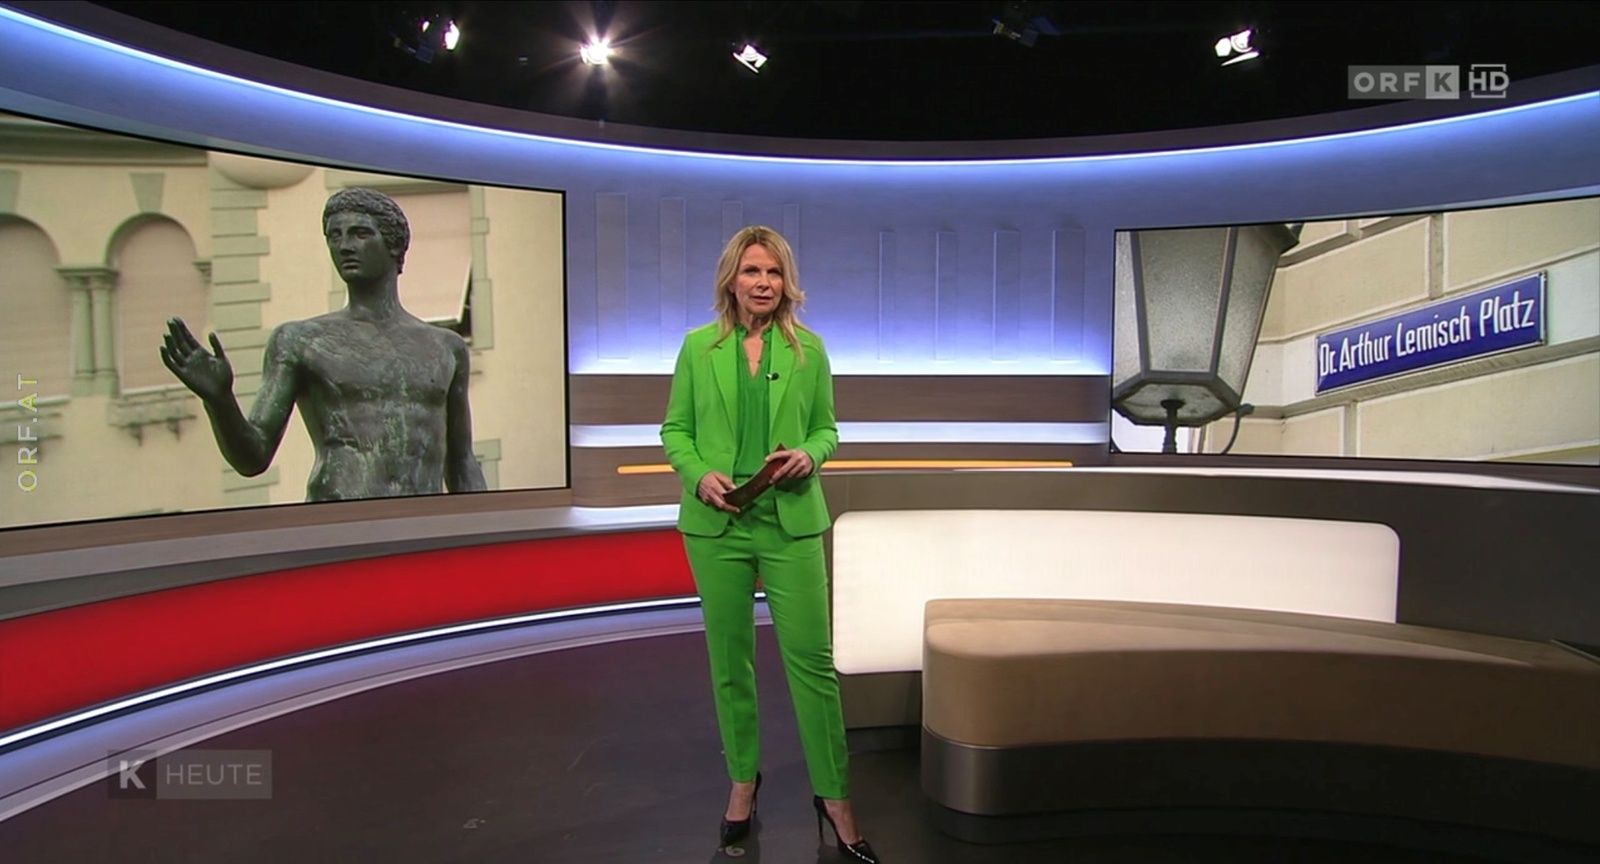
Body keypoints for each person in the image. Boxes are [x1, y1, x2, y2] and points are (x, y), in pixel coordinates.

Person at [660, 225, 880, 862]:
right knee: (731, 664)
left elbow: (827, 430)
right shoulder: (697, 348)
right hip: (718, 525)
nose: (764, 283)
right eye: (753, 271)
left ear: (788, 284)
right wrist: (697, 474)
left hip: (790, 522)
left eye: (774, 272)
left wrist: (810, 455)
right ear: (732, 279)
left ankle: (835, 798)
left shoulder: (809, 351)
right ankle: (742, 783)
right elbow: (675, 430)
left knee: (812, 664)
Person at [160, 187, 486, 501]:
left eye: (360, 234)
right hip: (339, 521)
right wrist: (219, 400)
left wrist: (487, 530)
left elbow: (462, 463)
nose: (344, 246)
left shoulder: (446, 348)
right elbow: (253, 457)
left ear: (395, 245)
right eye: (335, 236)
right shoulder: (300, 341)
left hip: (422, 524)